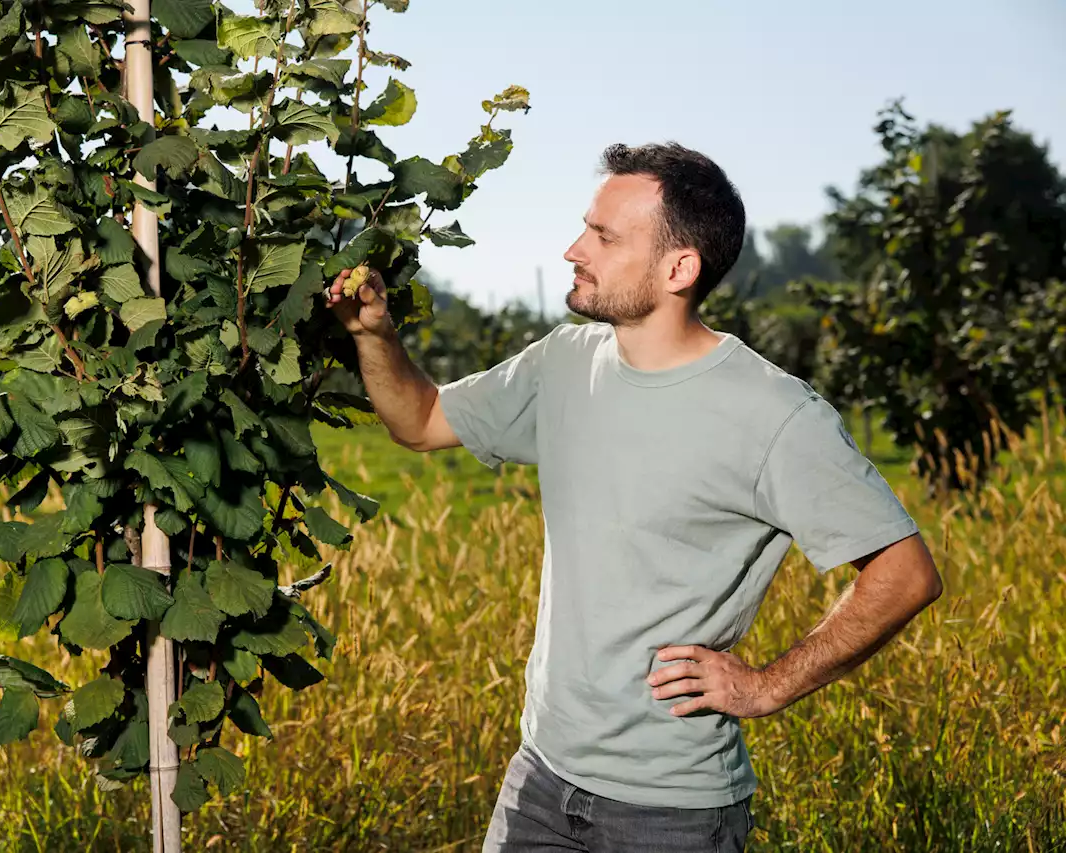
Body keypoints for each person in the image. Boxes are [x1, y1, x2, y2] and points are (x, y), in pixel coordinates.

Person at [324, 142, 943, 853]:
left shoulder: (774, 414)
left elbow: (907, 572)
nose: (571, 249)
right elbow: (420, 420)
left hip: (671, 814)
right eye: (585, 226)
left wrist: (766, 685)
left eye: (604, 237)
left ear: (680, 268)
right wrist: (374, 337)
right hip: (539, 782)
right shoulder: (560, 362)